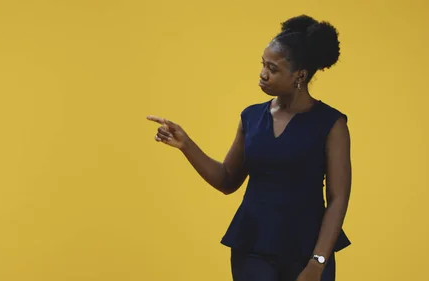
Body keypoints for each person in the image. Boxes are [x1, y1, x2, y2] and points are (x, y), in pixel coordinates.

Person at [147, 15, 352, 281]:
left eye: (273, 68)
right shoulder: (251, 117)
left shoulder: (331, 124)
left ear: (299, 76)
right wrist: (186, 144)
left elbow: (338, 198)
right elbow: (227, 180)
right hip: (253, 247)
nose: (263, 73)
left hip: (308, 251)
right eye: (263, 64)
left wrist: (318, 262)